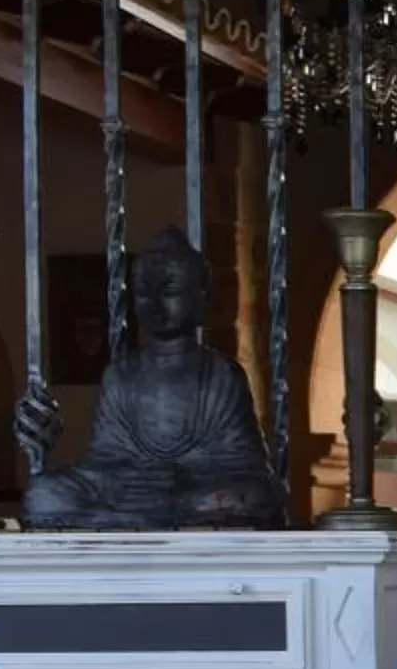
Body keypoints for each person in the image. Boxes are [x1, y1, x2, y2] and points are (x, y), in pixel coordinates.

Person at [22, 227, 284, 530]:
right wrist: (130, 476)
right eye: (144, 293)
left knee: (255, 496)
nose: (155, 304)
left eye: (170, 291)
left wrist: (181, 480)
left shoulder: (222, 375)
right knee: (43, 494)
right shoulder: (120, 374)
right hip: (129, 490)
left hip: (197, 490)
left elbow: (245, 465)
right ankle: (138, 515)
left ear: (202, 299)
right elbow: (103, 458)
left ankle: (141, 516)